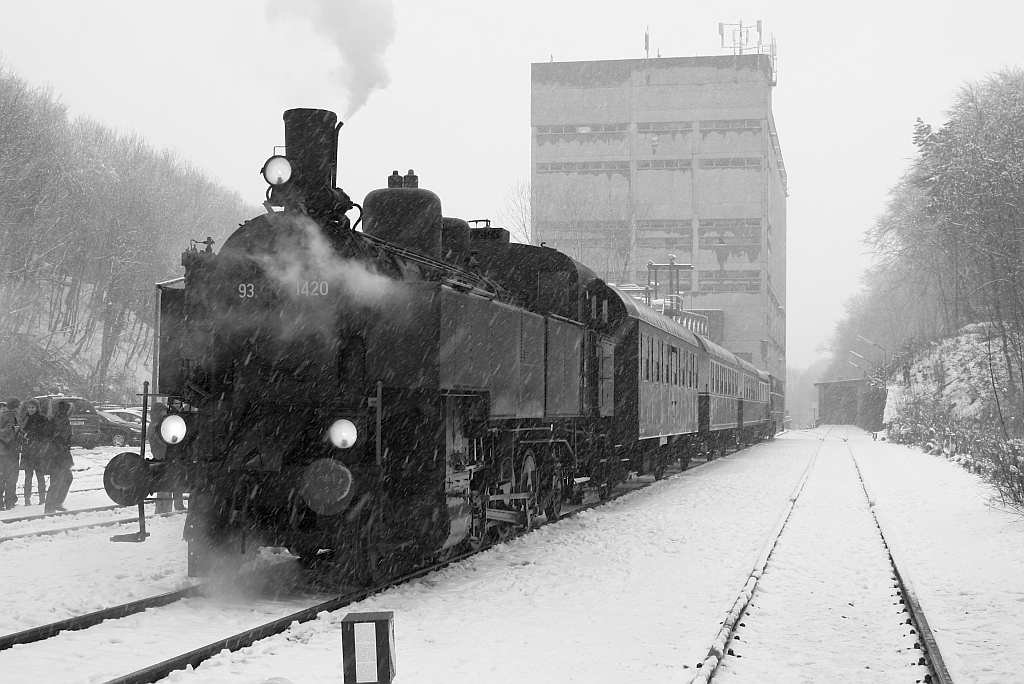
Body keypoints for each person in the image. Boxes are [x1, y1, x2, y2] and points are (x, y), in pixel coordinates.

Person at [147, 402, 185, 512]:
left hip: (164, 457)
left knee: (170, 483)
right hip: (162, 457)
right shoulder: (155, 426)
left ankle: (168, 508)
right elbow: (163, 442)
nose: (166, 412)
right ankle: (162, 510)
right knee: (164, 485)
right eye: (164, 410)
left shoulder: (158, 424)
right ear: (158, 412)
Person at [44, 400, 74, 513]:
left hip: (59, 455)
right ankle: (50, 506)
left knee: (65, 478)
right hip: (59, 456)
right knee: (58, 480)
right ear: (66, 410)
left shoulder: (59, 419)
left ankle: (55, 503)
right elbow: (61, 439)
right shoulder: (61, 420)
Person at [20, 399, 49, 506]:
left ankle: (42, 498)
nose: (31, 409)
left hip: (38, 450)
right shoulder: (25, 418)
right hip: (28, 450)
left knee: (40, 475)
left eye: (33, 407)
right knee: (28, 476)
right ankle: (27, 499)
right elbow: (22, 431)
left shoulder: (42, 419)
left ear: (37, 408)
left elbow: (44, 434)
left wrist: (30, 436)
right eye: (29, 407)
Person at [0, 397, 22, 509]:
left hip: (12, 450)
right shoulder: (2, 416)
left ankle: (10, 500)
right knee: (6, 476)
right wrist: (12, 429)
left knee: (10, 476)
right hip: (4, 450)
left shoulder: (16, 416)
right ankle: (6, 501)